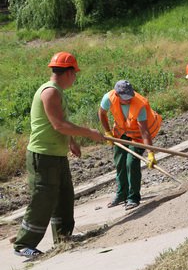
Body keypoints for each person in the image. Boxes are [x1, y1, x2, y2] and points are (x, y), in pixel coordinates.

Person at [13, 52, 104, 259]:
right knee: (43, 198)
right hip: (42, 156)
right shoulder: (50, 92)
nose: (75, 78)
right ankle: (23, 244)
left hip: (56, 154)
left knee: (64, 195)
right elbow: (59, 124)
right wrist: (89, 133)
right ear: (69, 72)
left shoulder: (58, 92)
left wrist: (72, 141)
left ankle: (63, 237)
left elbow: (60, 123)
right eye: (75, 73)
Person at [98, 80, 162, 210]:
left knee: (131, 162)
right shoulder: (108, 98)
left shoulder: (140, 104)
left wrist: (150, 153)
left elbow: (144, 131)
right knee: (120, 161)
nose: (128, 100)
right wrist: (108, 132)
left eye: (129, 97)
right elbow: (102, 113)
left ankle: (133, 198)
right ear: (117, 94)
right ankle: (122, 194)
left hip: (139, 135)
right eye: (124, 98)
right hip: (122, 130)